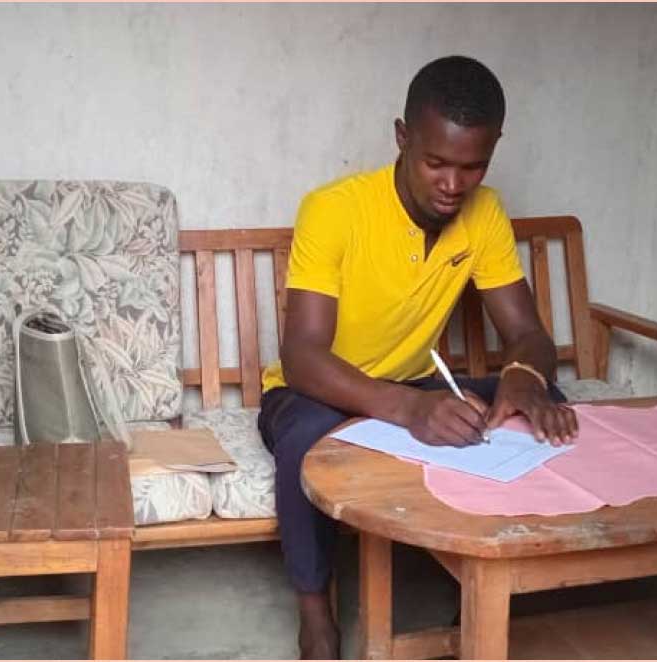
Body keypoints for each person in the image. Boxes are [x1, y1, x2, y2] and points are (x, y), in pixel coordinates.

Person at [257, 55, 578, 659]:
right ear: (402, 137)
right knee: (303, 436)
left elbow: (528, 334)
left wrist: (522, 377)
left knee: (540, 403)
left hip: (414, 384)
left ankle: (483, 598)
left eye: (472, 166)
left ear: (494, 148)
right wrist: (409, 409)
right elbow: (301, 356)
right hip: (315, 392)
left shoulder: (484, 213)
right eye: (436, 163)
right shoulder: (334, 208)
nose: (453, 185)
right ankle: (315, 612)